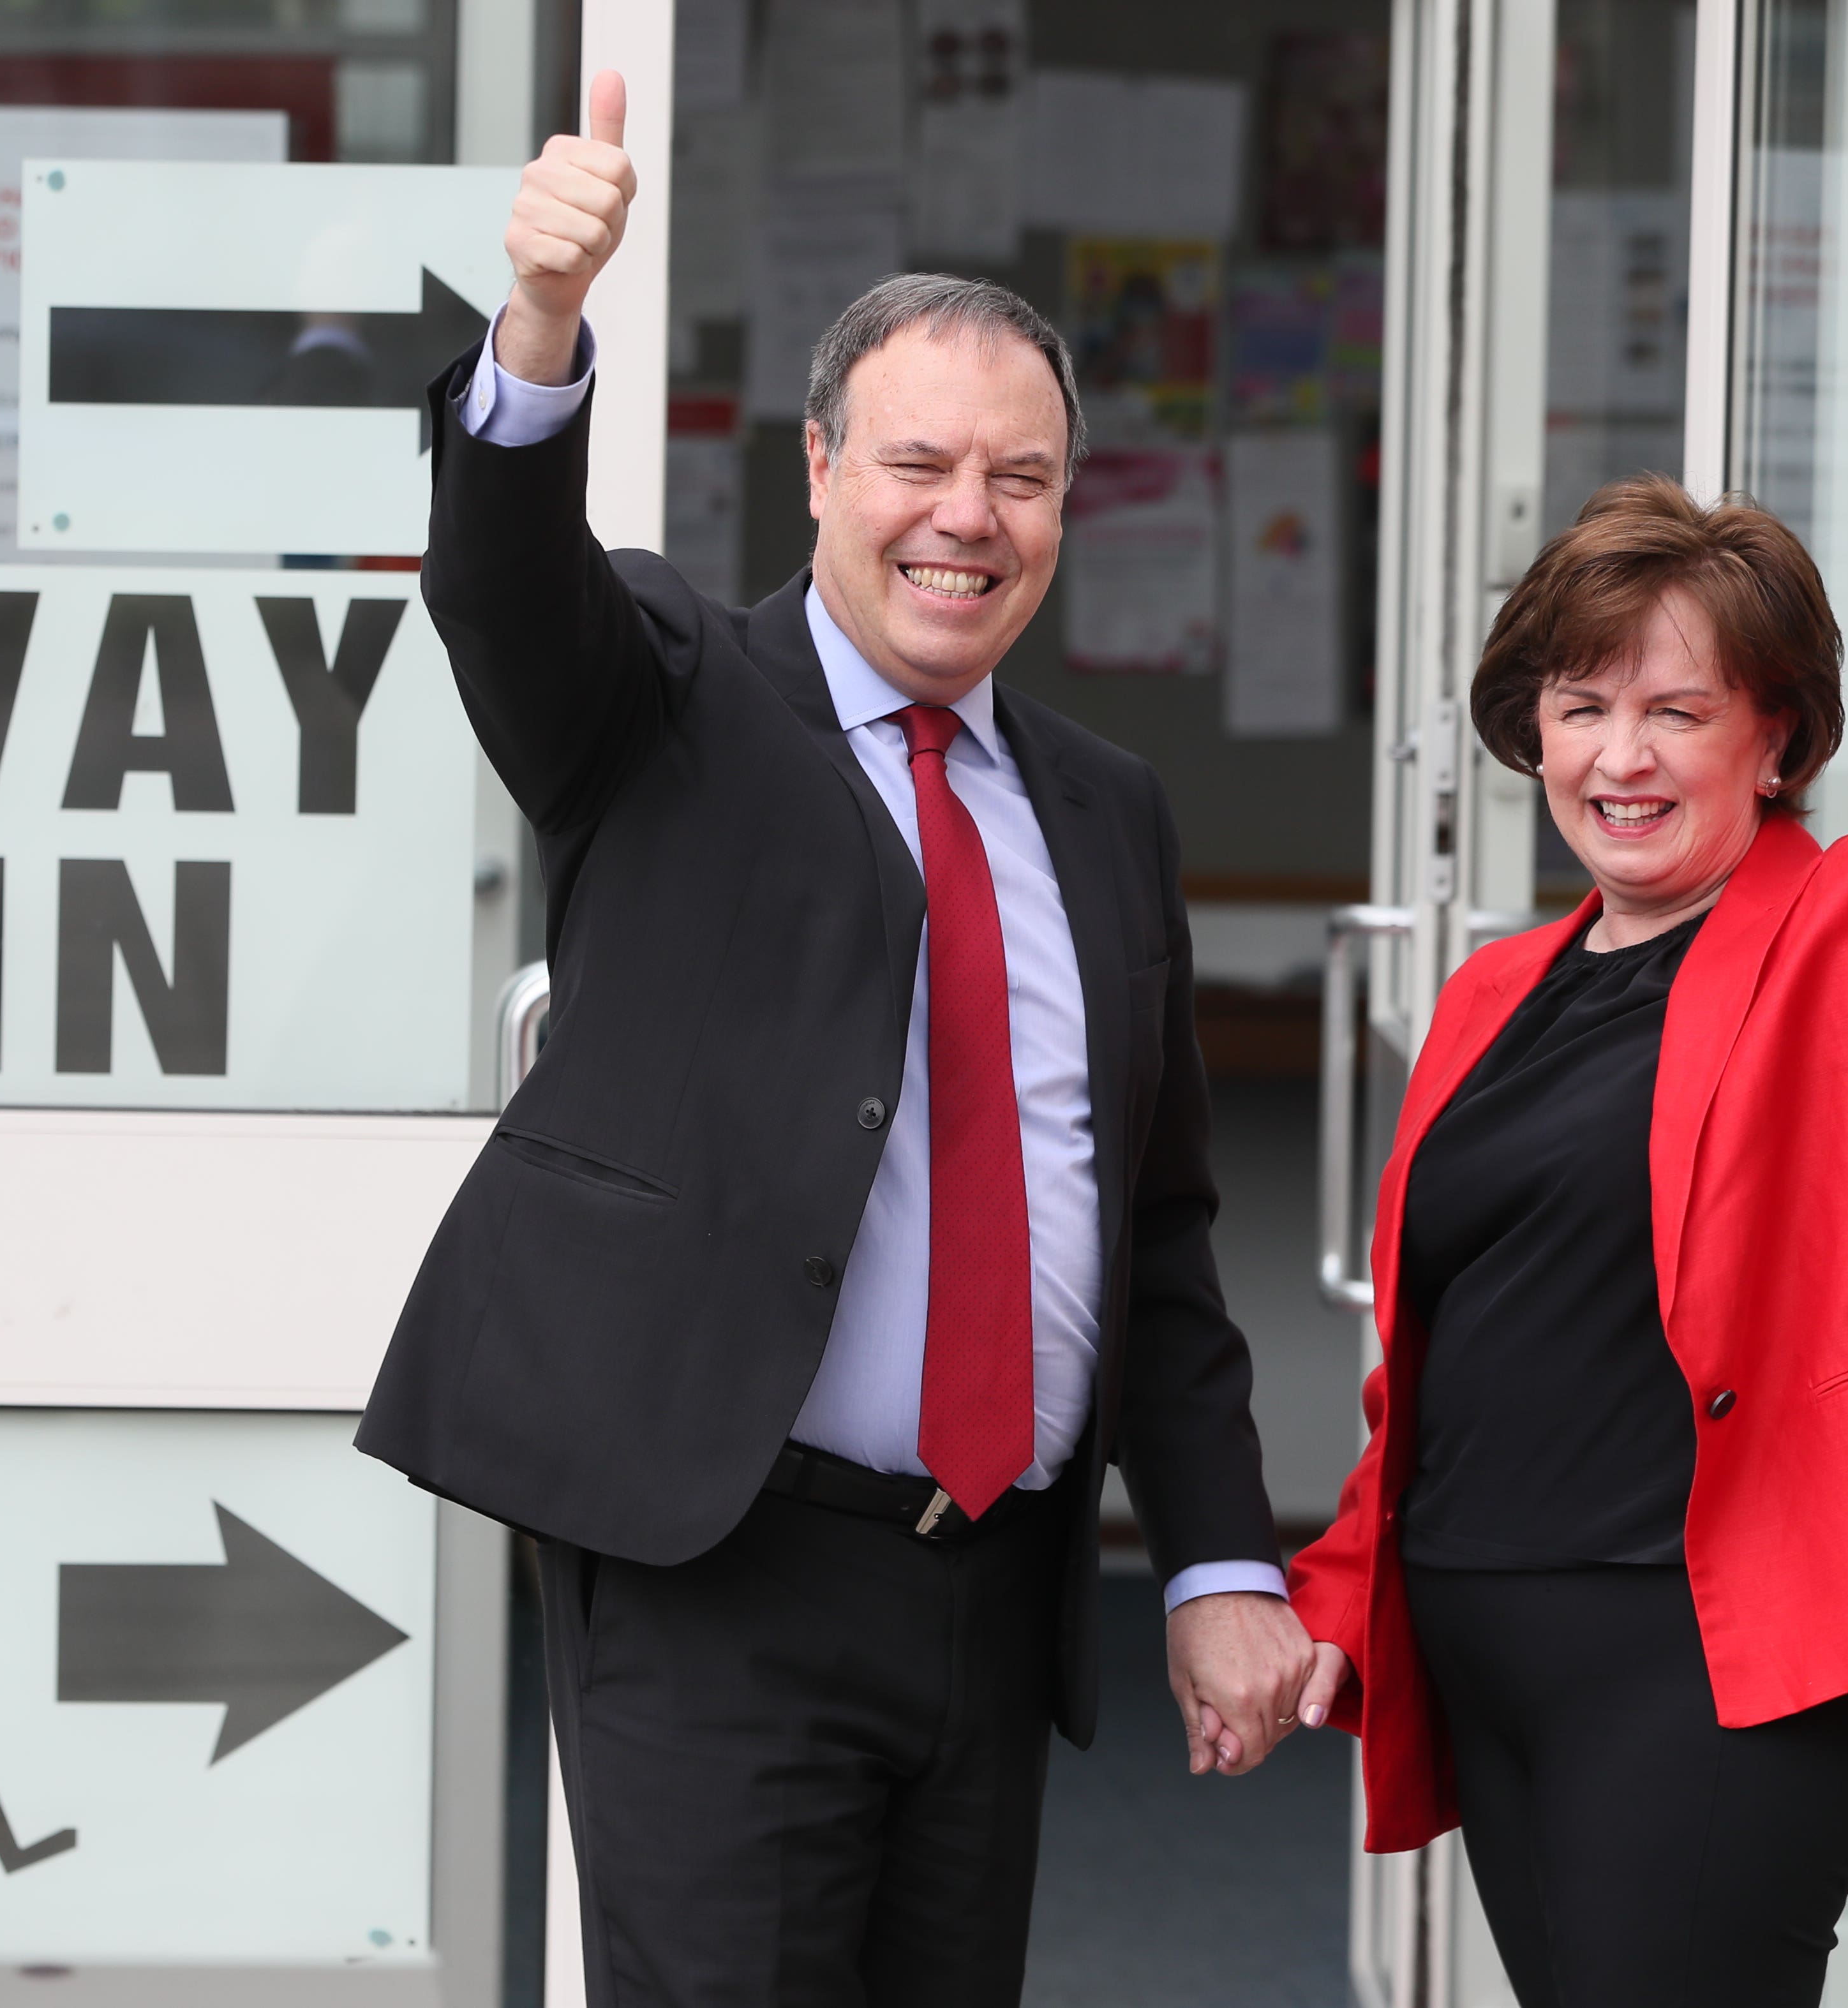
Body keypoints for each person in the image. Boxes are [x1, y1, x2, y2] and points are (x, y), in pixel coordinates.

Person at [354, 72, 1315, 2005]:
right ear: (816, 470)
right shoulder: (672, 699)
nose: (969, 517)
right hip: (728, 1571)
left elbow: (1158, 1232)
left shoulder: (1105, 809)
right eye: (918, 463)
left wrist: (1218, 1565)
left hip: (997, 1588)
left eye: (1022, 477)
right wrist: (537, 326)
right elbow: (502, 586)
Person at [1285, 379, 1848, 2005]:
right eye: (1580, 708)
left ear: (1772, 734)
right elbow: (1445, 1348)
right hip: (1490, 1637)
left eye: (1675, 710)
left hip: (1725, 1647)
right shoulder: (1490, 991)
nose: (1619, 756)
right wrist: (1336, 1589)